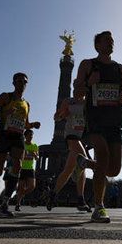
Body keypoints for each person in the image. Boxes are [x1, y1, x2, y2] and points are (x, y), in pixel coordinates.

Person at [75, 31, 122, 223]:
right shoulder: (87, 64)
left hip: (115, 120)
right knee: (103, 157)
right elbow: (78, 93)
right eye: (107, 40)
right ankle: (99, 207)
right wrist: (88, 83)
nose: (111, 43)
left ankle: (85, 163)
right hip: (95, 118)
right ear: (97, 45)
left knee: (113, 170)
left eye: (112, 40)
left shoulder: (121, 69)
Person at [0, 72, 41, 217]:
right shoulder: (5, 97)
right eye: (19, 81)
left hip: (18, 137)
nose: (22, 84)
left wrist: (33, 124)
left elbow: (25, 123)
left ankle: (4, 205)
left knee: (17, 166)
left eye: (24, 82)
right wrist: (4, 111)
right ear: (14, 83)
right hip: (3, 136)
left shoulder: (26, 104)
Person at [47, 80, 96, 213]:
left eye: (80, 88)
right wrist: (61, 115)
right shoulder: (68, 101)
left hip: (82, 138)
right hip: (70, 136)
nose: (77, 90)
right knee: (83, 159)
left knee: (69, 170)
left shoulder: (88, 103)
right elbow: (57, 117)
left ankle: (53, 194)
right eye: (75, 88)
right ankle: (80, 198)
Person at [15, 129, 39, 211]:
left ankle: (20, 195)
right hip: (22, 168)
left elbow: (37, 158)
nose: (31, 137)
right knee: (21, 187)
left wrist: (35, 154)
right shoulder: (22, 145)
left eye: (32, 135)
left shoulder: (35, 146)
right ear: (25, 136)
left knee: (32, 186)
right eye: (29, 135)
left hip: (30, 169)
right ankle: (18, 204)